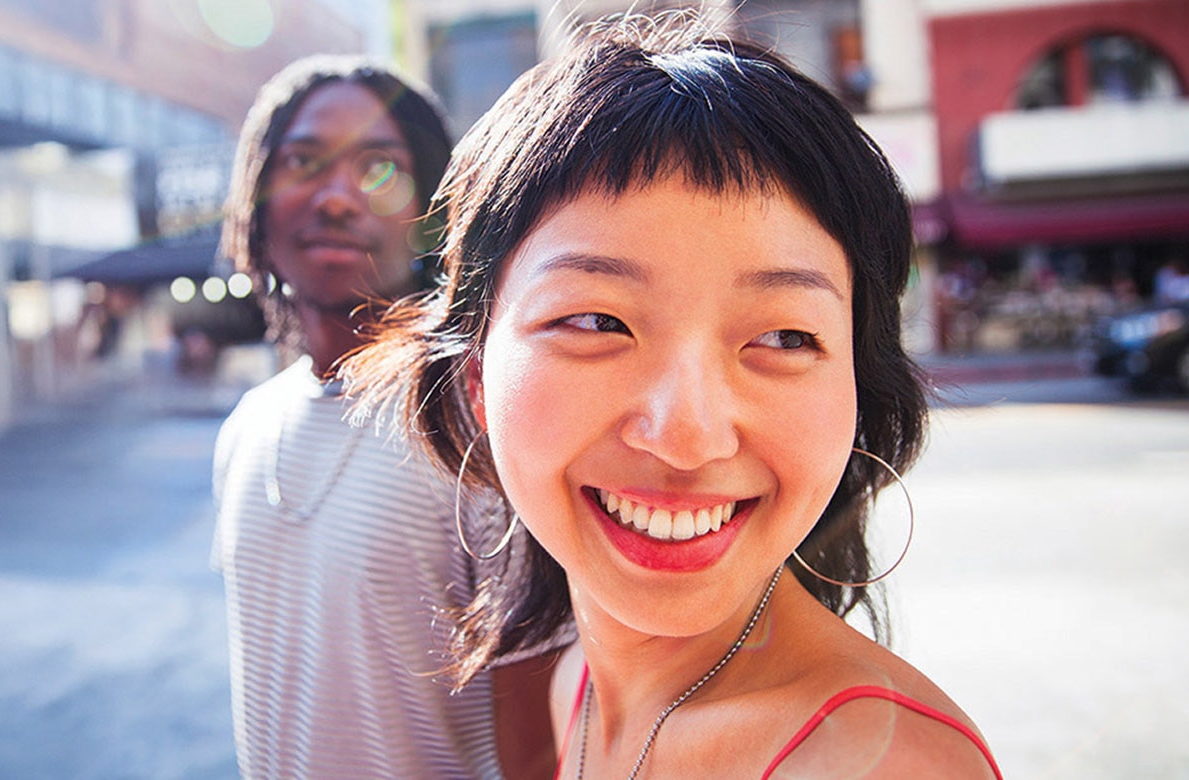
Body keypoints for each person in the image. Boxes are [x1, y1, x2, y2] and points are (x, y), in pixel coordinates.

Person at [347, 14, 1003, 779]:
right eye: (596, 321)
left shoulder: (882, 766)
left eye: (786, 337)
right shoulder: (573, 691)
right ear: (477, 380)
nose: (687, 434)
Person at [211, 55, 564, 779]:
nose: (337, 198)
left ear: (432, 214)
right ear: (257, 195)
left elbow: (543, 750)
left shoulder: (475, 435)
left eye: (379, 168)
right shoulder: (247, 426)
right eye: (304, 160)